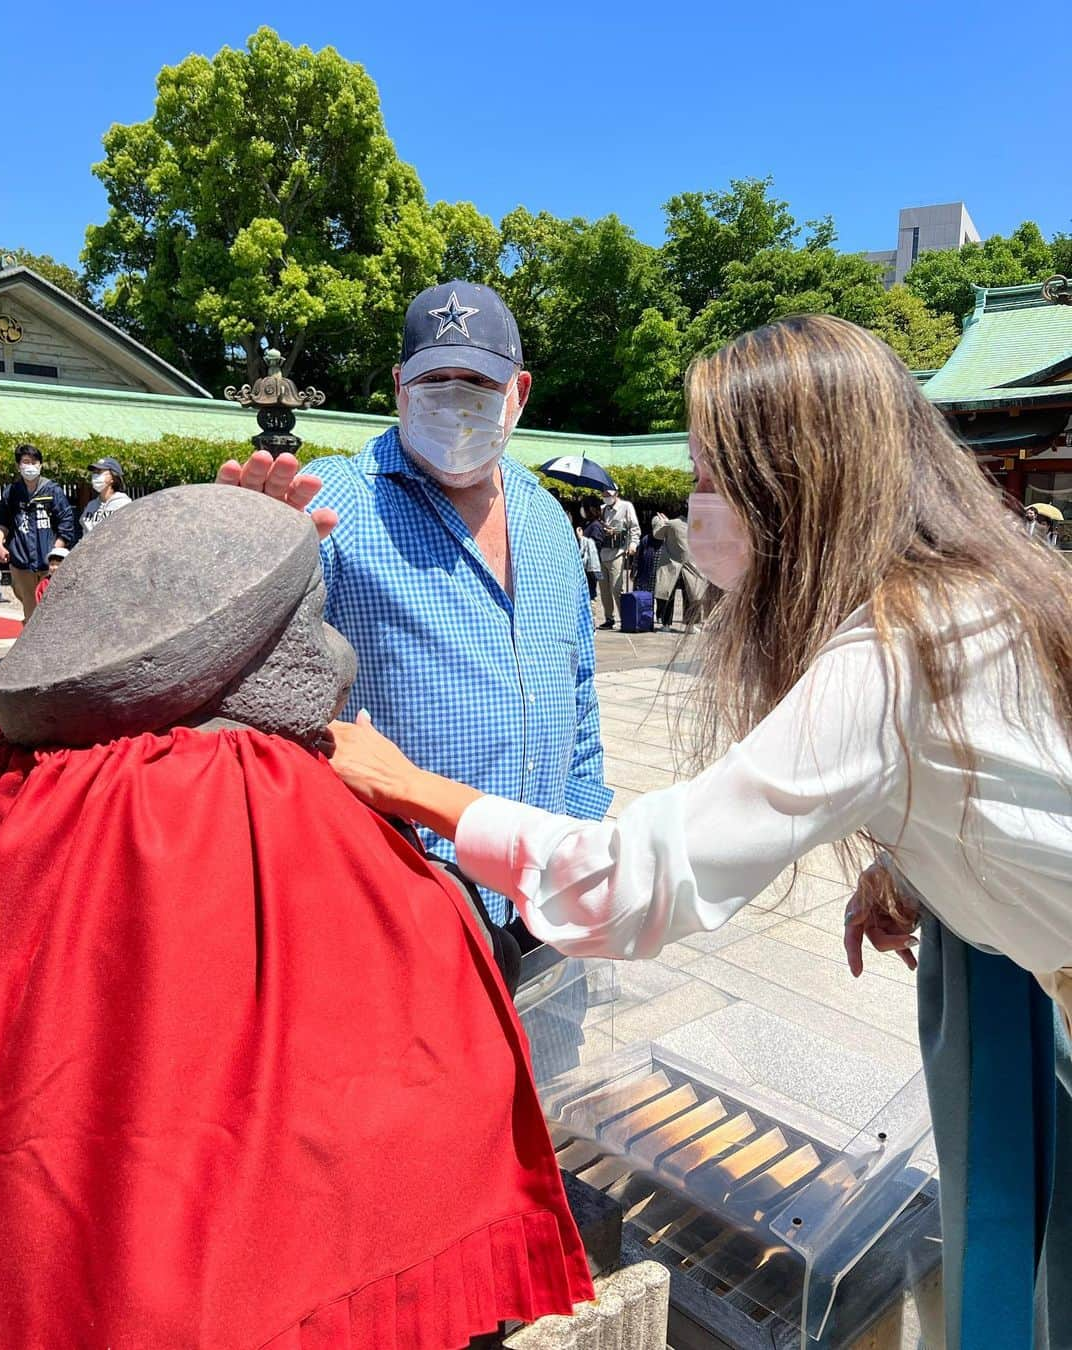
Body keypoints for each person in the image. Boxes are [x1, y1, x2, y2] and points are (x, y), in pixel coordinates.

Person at [325, 314, 1072, 1349]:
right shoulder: (976, 598)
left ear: (795, 487)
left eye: (711, 474)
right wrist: (915, 860)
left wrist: (418, 789)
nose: (693, 499)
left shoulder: (892, 652)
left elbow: (641, 881)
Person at [0, 484, 591, 1347]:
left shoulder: (37, 795)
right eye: (311, 624)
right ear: (234, 659)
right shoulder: (253, 797)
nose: (342, 656)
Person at [225, 281, 610, 932]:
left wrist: (579, 824)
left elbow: (579, 690)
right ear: (401, 386)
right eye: (437, 383)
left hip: (543, 885)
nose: (456, 403)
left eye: (479, 385)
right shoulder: (334, 504)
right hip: (399, 896)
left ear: (519, 392)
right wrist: (239, 565)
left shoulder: (546, 517)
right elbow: (244, 679)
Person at [0, 444, 75, 620]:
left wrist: (55, 554)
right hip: (21, 563)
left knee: (53, 612)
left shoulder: (53, 490)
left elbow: (66, 523)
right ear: (18, 466)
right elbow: (2, 521)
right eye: (25, 462)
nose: (30, 466)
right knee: (30, 615)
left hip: (49, 565)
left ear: (40, 465)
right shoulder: (12, 492)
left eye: (34, 462)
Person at [651, 510, 708, 631]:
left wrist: (659, 521)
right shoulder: (698, 523)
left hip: (672, 565)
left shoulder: (672, 524)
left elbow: (657, 534)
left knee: (667, 596)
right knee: (692, 596)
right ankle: (690, 625)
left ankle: (665, 624)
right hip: (692, 565)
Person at [596, 485, 639, 629]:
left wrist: (633, 544)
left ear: (616, 494)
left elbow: (634, 528)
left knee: (616, 588)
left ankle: (624, 618)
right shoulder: (602, 509)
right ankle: (609, 618)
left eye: (608, 494)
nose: (606, 496)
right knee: (604, 590)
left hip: (617, 552)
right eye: (604, 494)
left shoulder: (626, 507)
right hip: (602, 553)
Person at [80, 455, 131, 534]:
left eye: (99, 472)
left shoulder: (123, 504)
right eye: (94, 472)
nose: (95, 476)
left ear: (113, 478)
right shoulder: (91, 506)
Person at [576, 522, 601, 601]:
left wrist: (581, 538)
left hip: (591, 565)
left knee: (590, 593)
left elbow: (596, 543)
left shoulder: (595, 525)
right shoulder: (589, 524)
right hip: (588, 565)